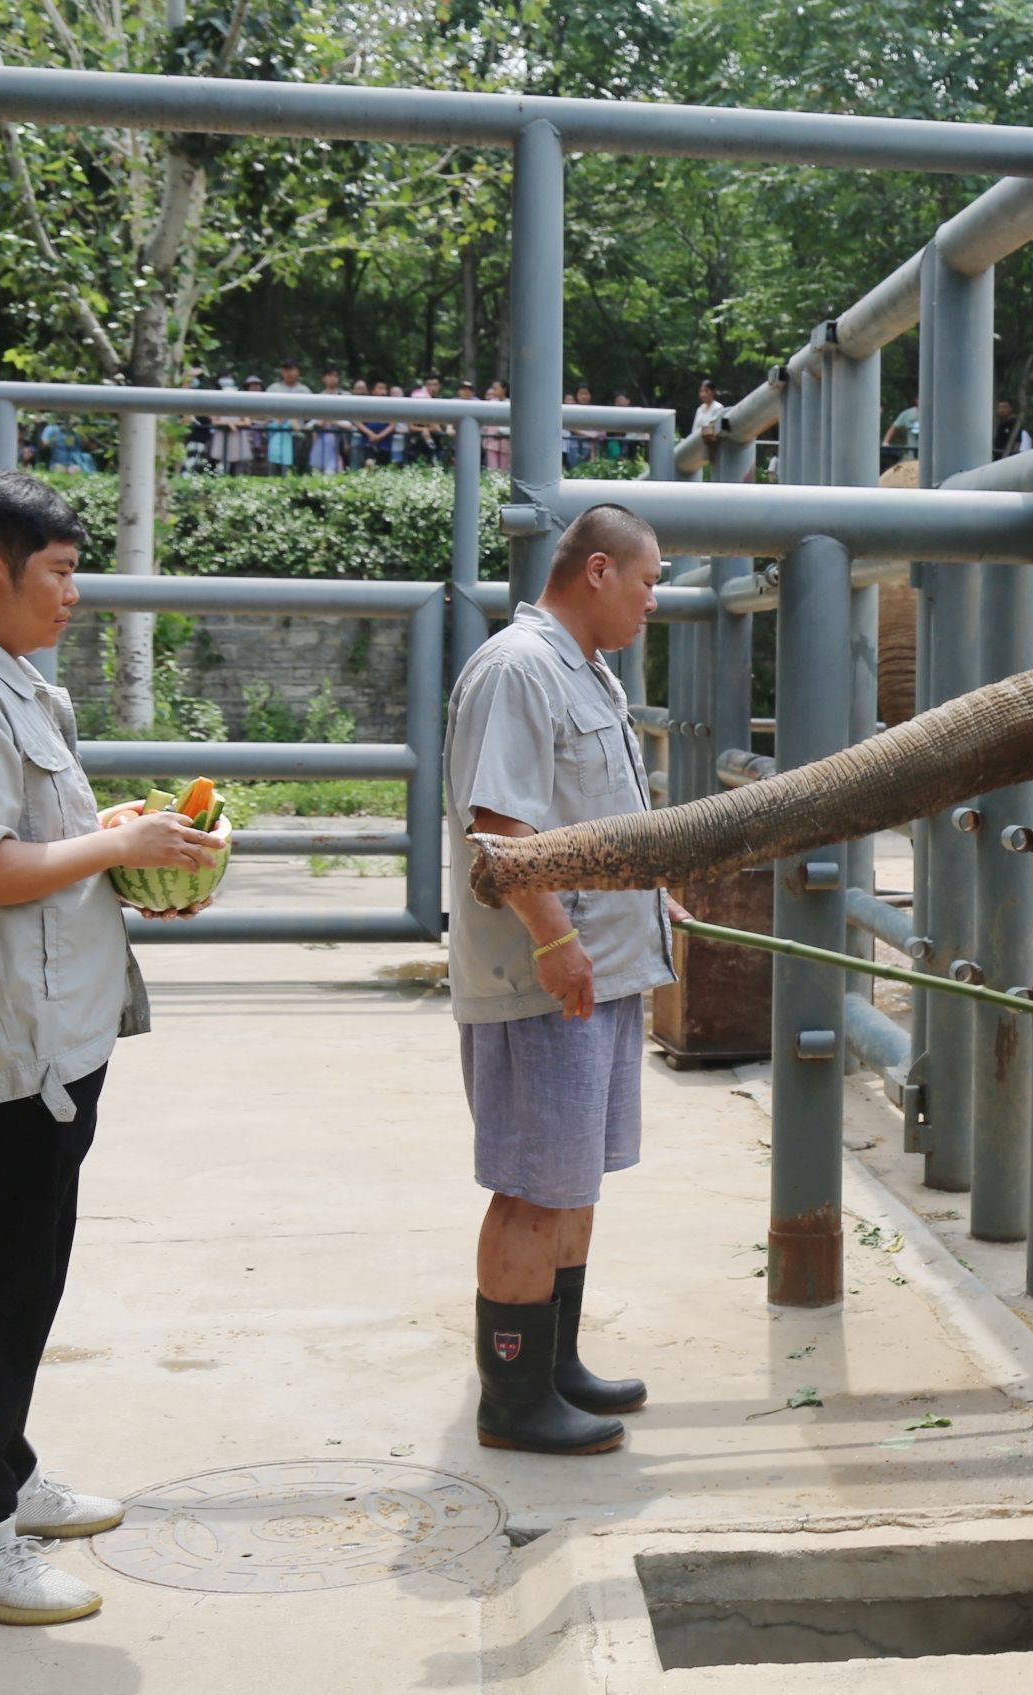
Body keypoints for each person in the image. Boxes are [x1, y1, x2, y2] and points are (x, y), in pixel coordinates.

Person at [0, 471, 222, 1626]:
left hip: (52, 1029)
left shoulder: (2, 679)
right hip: (11, 1040)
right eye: (61, 574)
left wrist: (119, 837)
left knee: (24, 1273)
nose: (75, 595)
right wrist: (107, 845)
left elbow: (31, 842)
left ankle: (5, 1477)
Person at [444, 503, 679, 1456]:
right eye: (648, 580)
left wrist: (653, 904)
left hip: (602, 968)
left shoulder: (589, 672)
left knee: (573, 1183)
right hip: (547, 979)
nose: (652, 601)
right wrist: (552, 941)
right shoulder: (518, 669)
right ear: (595, 571)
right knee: (534, 1187)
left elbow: (600, 816)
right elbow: (500, 830)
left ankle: (554, 1362)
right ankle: (513, 1396)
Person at [267, 359, 311, 476]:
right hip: (276, 435)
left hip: (296, 435)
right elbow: (265, 413)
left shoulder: (304, 391)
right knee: (273, 471)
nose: (289, 373)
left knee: (294, 471)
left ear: (298, 371)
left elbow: (310, 416)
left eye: (292, 369)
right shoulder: (273, 389)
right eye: (286, 370)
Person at [309, 368, 348, 474]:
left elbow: (349, 425)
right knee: (316, 472)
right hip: (320, 441)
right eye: (329, 376)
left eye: (335, 376)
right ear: (323, 378)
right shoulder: (318, 397)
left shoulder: (345, 397)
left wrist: (332, 420)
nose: (332, 379)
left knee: (332, 473)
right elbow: (312, 423)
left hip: (337, 442)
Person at [484, 379, 511, 473]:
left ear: (504, 389)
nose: (493, 391)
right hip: (491, 441)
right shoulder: (491, 403)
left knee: (504, 470)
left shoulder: (511, 404)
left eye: (496, 388)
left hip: (506, 441)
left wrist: (501, 430)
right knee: (492, 470)